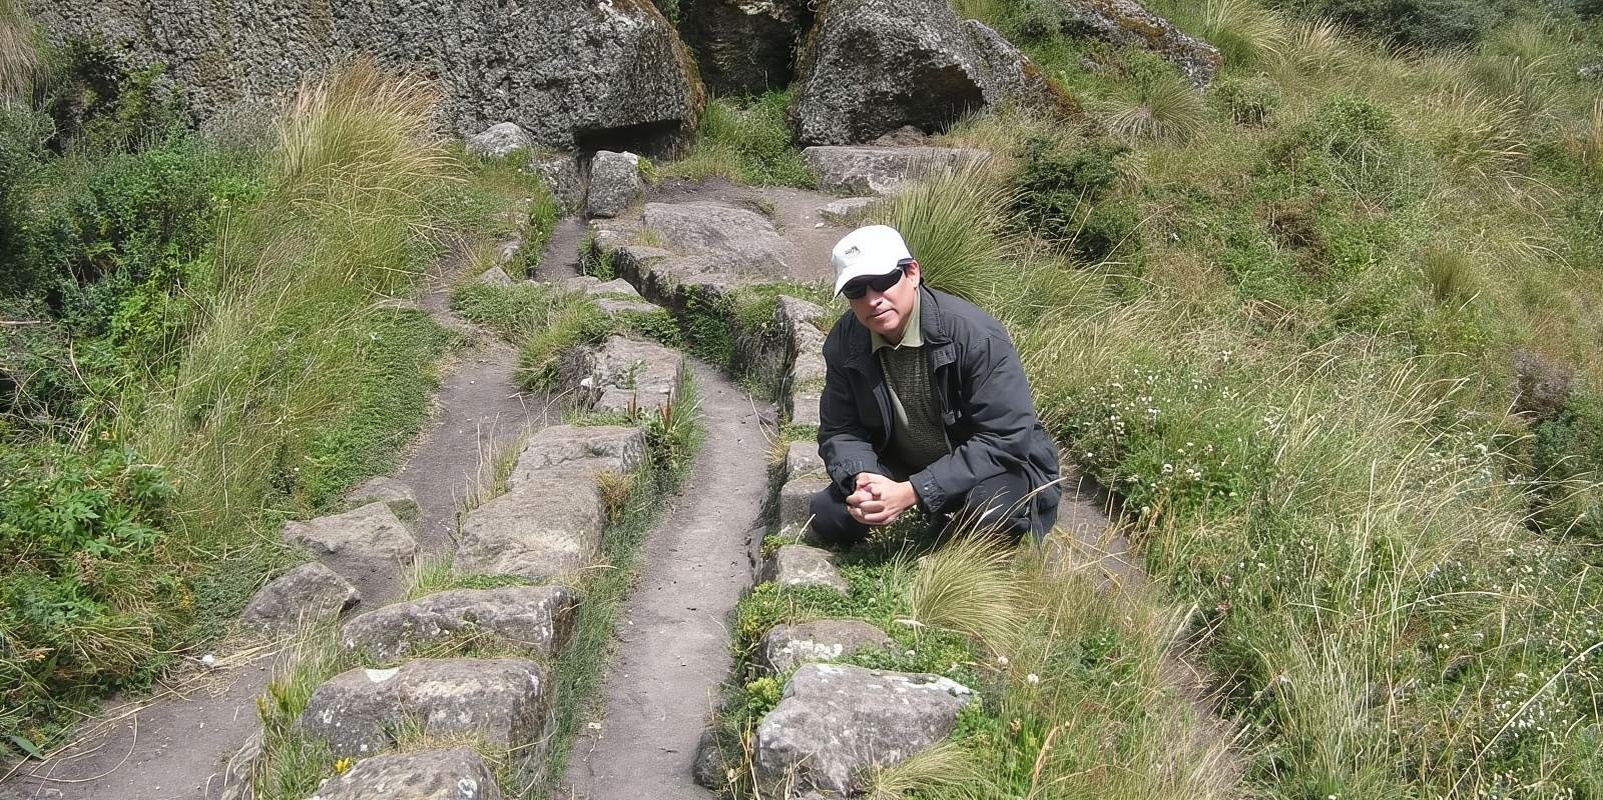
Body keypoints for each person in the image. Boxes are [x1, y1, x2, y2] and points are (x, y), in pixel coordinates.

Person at [810, 224, 1061, 544]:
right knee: (828, 516)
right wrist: (864, 477)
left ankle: (951, 522)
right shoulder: (845, 341)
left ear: (912, 273)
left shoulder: (975, 335)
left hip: (987, 468)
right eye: (856, 290)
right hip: (902, 462)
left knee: (990, 515)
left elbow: (1006, 438)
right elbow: (840, 428)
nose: (873, 299)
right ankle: (925, 512)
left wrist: (915, 490)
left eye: (883, 280)